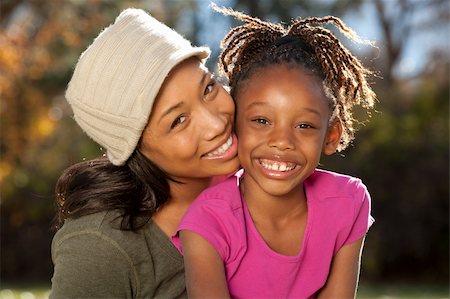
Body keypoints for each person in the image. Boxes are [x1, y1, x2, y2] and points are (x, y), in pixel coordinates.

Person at [173, 6, 377, 299]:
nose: (282, 141)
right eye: (261, 121)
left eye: (304, 125)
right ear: (235, 125)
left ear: (331, 136)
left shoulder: (348, 202)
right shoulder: (207, 221)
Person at [50, 8, 240, 298]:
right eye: (178, 121)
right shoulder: (102, 245)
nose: (215, 124)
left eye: (208, 88)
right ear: (135, 148)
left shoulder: (261, 180)